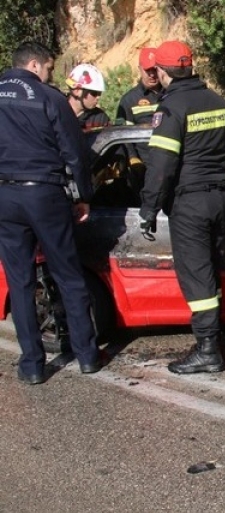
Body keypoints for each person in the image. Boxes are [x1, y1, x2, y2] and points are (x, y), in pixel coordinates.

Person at [0, 41, 105, 384]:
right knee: (68, 274)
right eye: (47, 67)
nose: (48, 73)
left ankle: (32, 365)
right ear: (33, 65)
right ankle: (87, 356)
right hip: (45, 193)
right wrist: (83, 196)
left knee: (20, 280)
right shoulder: (49, 98)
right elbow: (74, 151)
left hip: (5, 195)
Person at [139, 40, 225, 374]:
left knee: (196, 277)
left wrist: (149, 209)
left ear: (163, 72)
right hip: (221, 197)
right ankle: (213, 339)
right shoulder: (218, 102)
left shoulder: (172, 108)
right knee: (210, 270)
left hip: (190, 201)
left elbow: (161, 166)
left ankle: (208, 349)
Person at [116, 47, 162, 188]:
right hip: (144, 171)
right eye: (148, 71)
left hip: (171, 165)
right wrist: (133, 158)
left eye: (155, 70)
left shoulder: (172, 95)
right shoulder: (129, 100)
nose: (152, 75)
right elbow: (121, 134)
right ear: (140, 69)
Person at [65, 63, 110, 132]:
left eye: (100, 93)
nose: (98, 97)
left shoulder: (101, 119)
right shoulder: (57, 113)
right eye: (94, 93)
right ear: (76, 91)